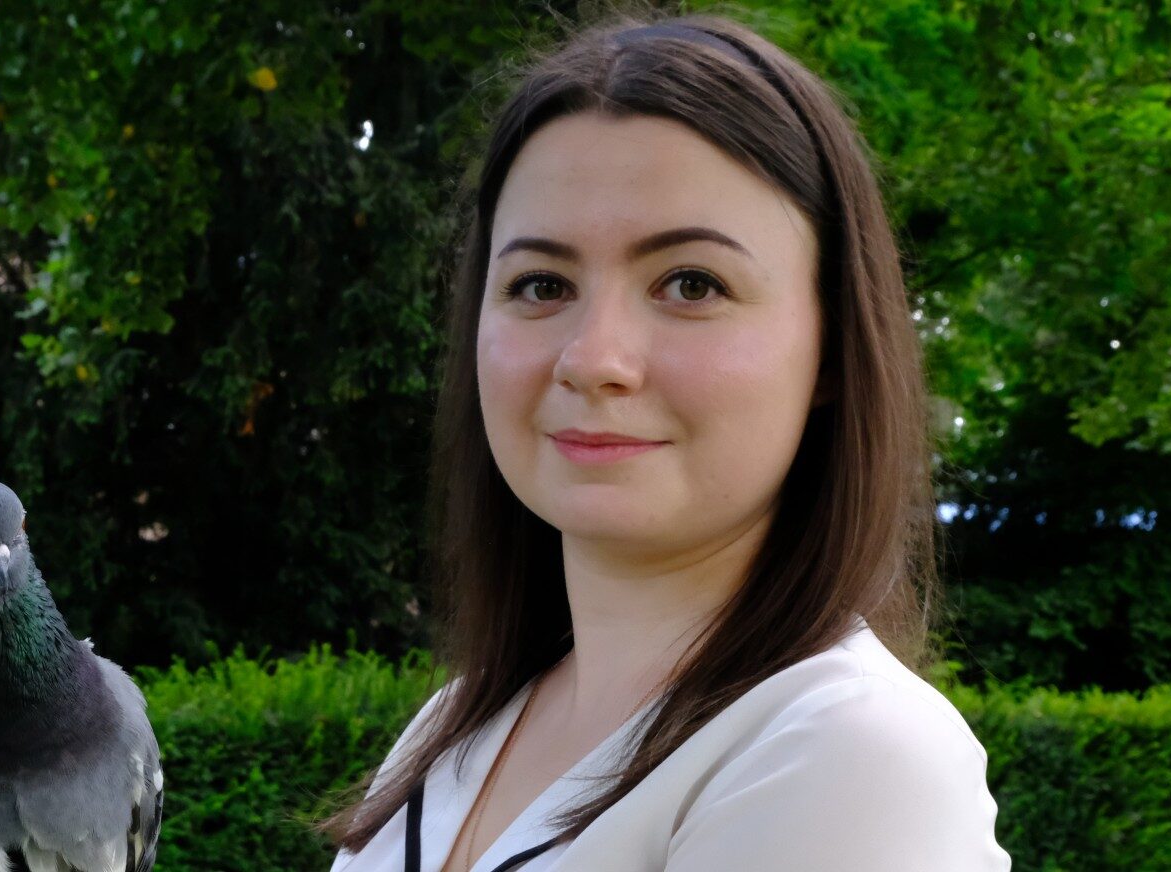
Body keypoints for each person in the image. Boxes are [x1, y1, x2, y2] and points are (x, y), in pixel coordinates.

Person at [317, 10, 1013, 872]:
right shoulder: (454, 728)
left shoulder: (847, 752)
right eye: (541, 283)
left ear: (834, 346)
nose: (594, 359)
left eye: (692, 283)